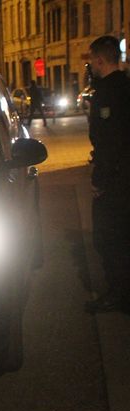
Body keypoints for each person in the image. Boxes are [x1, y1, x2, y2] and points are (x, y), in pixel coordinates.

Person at [84, 35, 130, 314]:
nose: (90, 64)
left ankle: (119, 293)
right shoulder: (125, 86)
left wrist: (100, 179)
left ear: (100, 60)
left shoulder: (108, 93)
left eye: (92, 60)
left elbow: (109, 142)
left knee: (107, 238)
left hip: (116, 179)